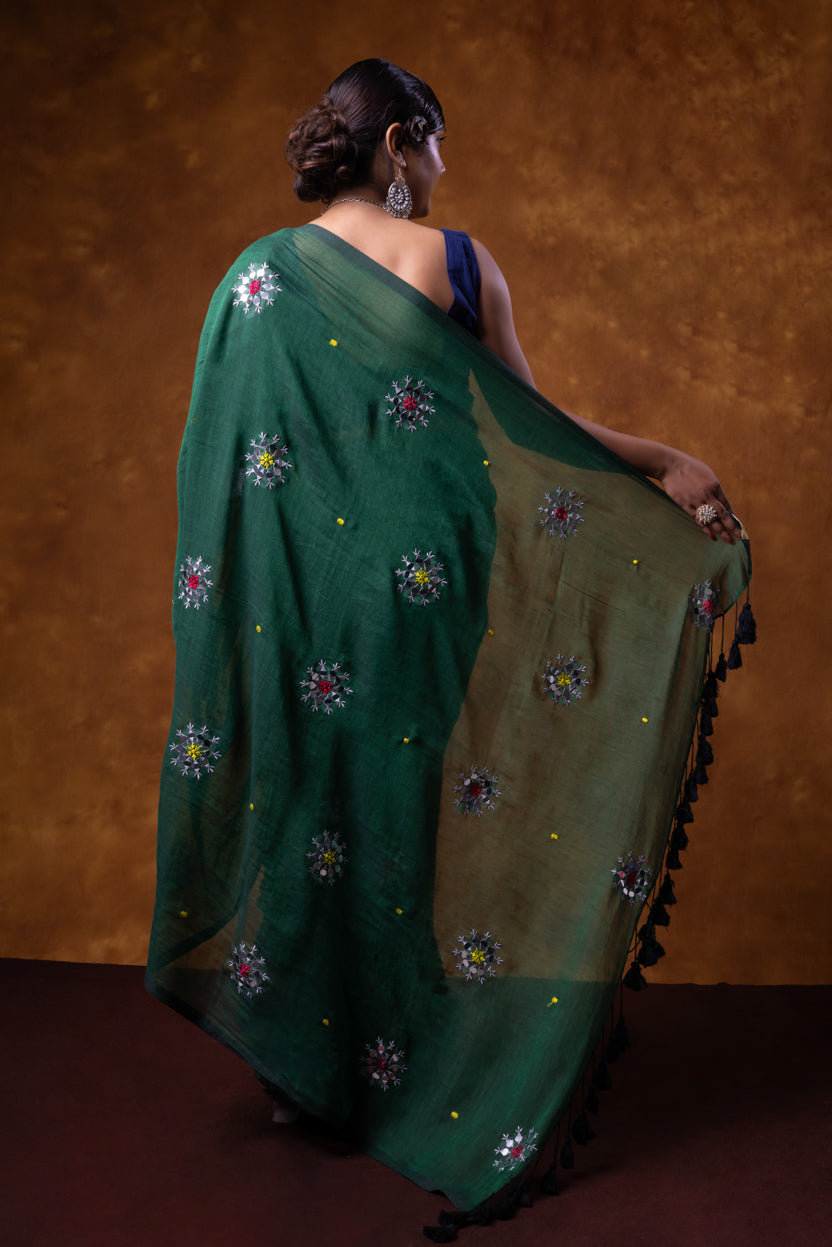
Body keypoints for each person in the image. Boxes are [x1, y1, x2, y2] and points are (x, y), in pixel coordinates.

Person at [146, 59, 750, 1215]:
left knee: (312, 780)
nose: (441, 167)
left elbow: (222, 458)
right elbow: (535, 423)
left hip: (301, 584)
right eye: (434, 143)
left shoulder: (259, 276)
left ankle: (300, 1054)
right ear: (399, 141)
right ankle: (384, 1046)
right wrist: (662, 463)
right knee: (398, 784)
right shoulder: (456, 262)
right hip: (426, 572)